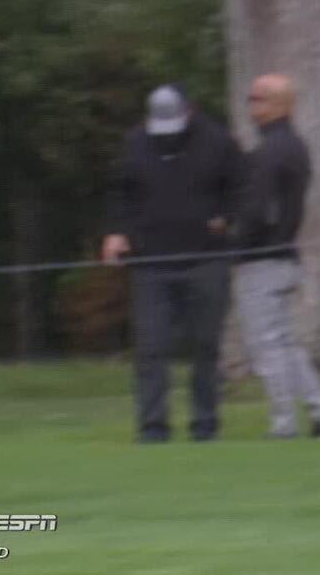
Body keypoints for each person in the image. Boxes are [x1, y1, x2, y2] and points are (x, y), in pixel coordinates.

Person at [103, 84, 244, 443]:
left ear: (190, 110)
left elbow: (240, 189)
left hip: (206, 259)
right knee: (151, 347)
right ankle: (152, 428)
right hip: (152, 262)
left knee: (204, 346)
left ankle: (205, 425)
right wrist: (117, 232)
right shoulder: (136, 142)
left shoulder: (219, 142)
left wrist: (225, 217)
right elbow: (121, 192)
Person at [234, 74, 320, 439]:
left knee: (267, 348)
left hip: (264, 260)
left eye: (259, 99)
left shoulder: (271, 151)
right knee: (285, 344)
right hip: (283, 258)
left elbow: (257, 209)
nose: (251, 105)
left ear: (280, 104)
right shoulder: (292, 145)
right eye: (251, 98)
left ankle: (283, 424)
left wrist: (235, 245)